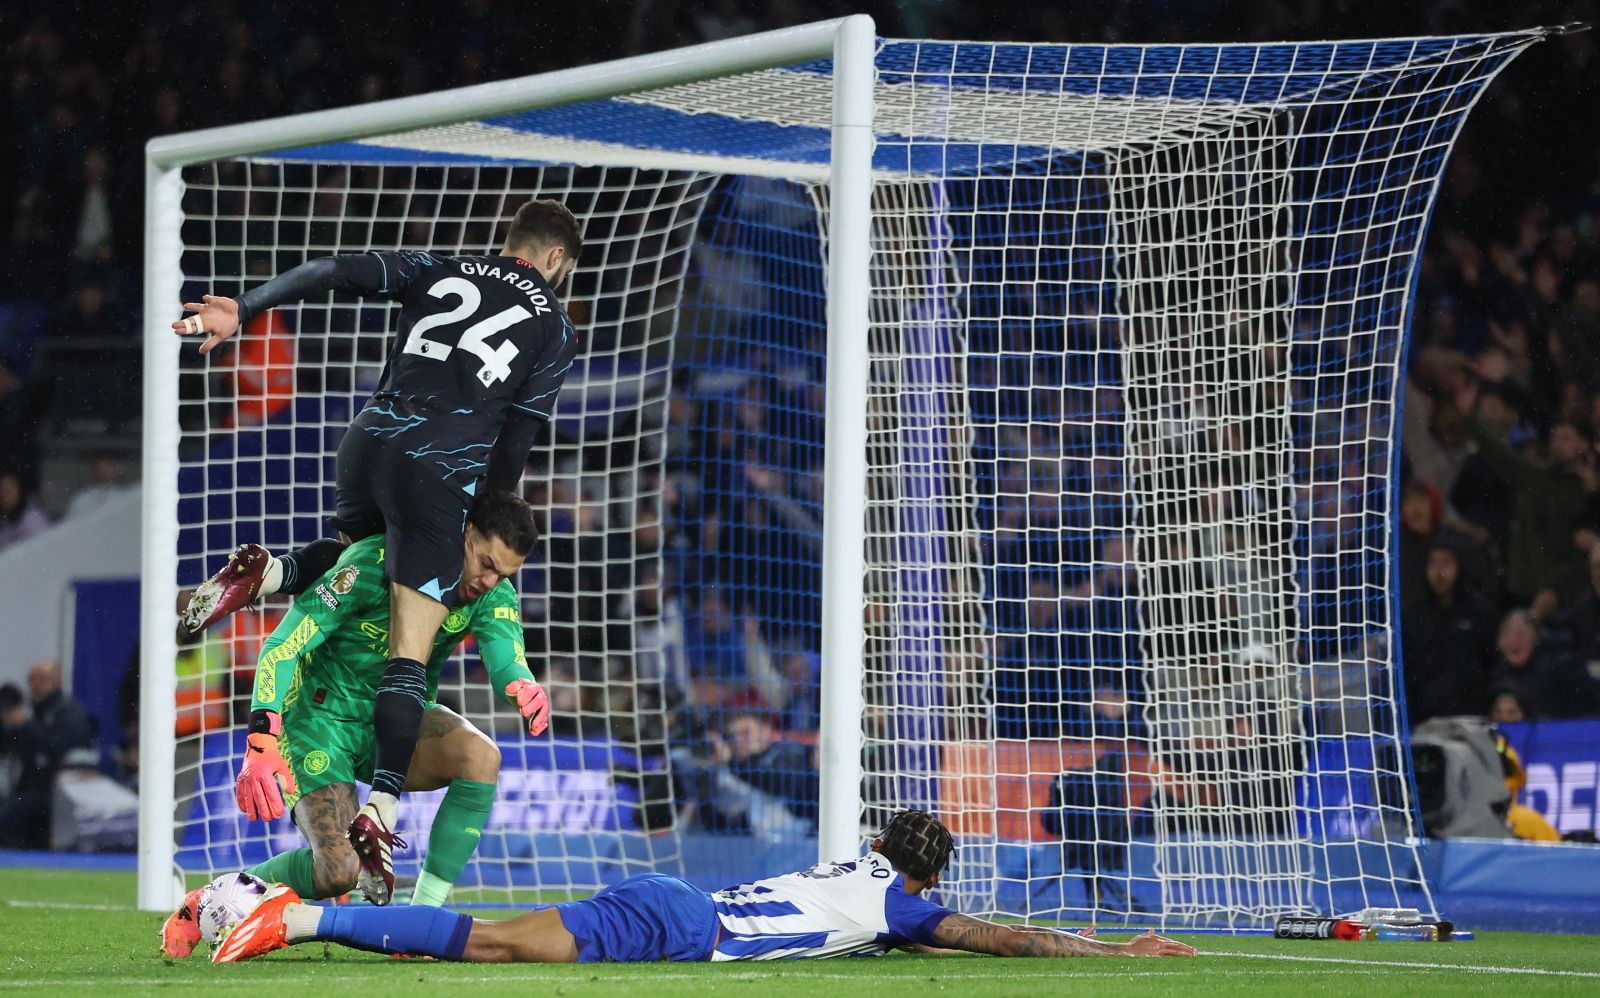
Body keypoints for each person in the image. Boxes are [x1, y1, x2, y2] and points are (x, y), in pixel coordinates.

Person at [173, 198, 582, 898]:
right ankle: (382, 813)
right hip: (437, 464)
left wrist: (246, 306)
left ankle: (274, 572)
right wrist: (485, 522)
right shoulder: (552, 322)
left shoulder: (445, 266)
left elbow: (336, 269)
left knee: (357, 565)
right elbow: (513, 441)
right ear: (554, 260)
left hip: (365, 441)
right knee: (409, 652)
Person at [161, 490, 552, 959]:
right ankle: (210, 899)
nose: (490, 581)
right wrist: (262, 736)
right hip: (318, 720)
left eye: (504, 573)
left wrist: (522, 684)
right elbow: (283, 647)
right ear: (466, 533)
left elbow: (505, 654)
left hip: (396, 724)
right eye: (487, 563)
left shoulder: (490, 593)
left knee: (482, 756)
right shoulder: (373, 564)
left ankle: (418, 921)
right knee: (338, 872)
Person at [209, 809, 1196, 964]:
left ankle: (277, 902)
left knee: (491, 936)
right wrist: (1113, 948)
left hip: (675, 898)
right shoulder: (901, 899)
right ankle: (290, 913)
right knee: (488, 941)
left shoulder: (866, 875)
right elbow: (992, 936)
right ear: (929, 874)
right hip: (681, 926)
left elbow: (928, 934)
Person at [0, 661, 96, 849]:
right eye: (31, 680)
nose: (34, 686)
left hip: (59, 790)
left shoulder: (70, 711)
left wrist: (27, 725)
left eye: (40, 680)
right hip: (28, 787)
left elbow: (58, 748)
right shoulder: (31, 711)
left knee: (15, 816)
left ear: (55, 681)